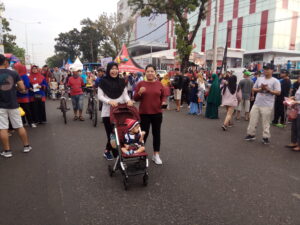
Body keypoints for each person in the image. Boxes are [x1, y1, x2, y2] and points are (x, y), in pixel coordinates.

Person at [98, 62, 133, 160]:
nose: (114, 71)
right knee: (111, 134)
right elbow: (100, 96)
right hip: (107, 112)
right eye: (112, 69)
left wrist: (129, 100)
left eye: (116, 69)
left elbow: (125, 95)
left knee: (120, 133)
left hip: (121, 112)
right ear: (108, 70)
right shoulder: (103, 81)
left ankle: (107, 151)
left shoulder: (122, 81)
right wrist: (109, 101)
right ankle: (117, 155)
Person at [133, 64, 167, 165]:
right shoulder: (140, 84)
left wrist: (164, 102)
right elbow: (135, 98)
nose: (150, 73)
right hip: (144, 113)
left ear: (155, 73)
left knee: (156, 134)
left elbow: (163, 96)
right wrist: (139, 92)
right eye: (148, 71)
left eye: (152, 71)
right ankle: (141, 154)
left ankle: (156, 155)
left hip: (157, 113)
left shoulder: (159, 84)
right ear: (145, 72)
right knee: (143, 135)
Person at [0, 54, 32, 158]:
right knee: (19, 126)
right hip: (13, 104)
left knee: (3, 128)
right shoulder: (13, 73)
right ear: (5, 62)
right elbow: (22, 88)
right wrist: (15, 88)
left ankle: (7, 151)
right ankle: (26, 146)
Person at [245, 63, 281, 144]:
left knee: (265, 122)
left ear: (272, 70)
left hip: (267, 105)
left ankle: (266, 137)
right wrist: (260, 89)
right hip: (257, 103)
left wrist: (269, 90)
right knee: (252, 119)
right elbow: (254, 88)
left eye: (267, 69)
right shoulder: (259, 79)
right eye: (264, 69)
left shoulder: (275, 81)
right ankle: (251, 134)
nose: (265, 70)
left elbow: (278, 92)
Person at [14, 62, 36, 128]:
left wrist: (18, 86)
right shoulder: (15, 75)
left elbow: (27, 85)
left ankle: (31, 122)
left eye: (16, 68)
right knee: (19, 110)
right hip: (17, 95)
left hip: (24, 96)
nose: (15, 70)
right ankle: (23, 122)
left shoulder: (24, 76)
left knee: (27, 110)